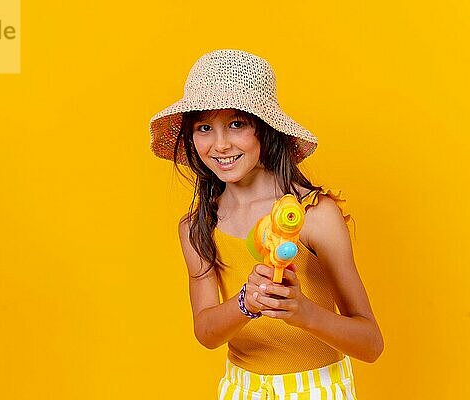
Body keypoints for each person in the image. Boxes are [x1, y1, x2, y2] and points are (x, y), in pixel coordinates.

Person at [149, 49, 383, 400]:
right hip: (242, 390)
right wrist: (246, 302)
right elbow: (207, 333)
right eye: (204, 127)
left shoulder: (315, 215)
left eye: (237, 124)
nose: (220, 144)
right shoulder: (197, 226)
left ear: (266, 129)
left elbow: (370, 344)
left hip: (317, 389)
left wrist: (301, 310)